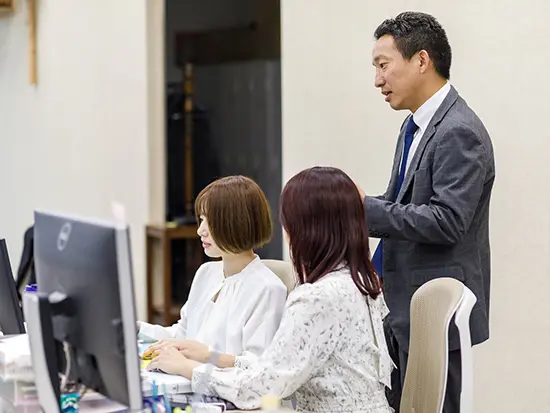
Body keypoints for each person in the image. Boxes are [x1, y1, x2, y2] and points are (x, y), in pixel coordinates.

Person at [148, 166, 394, 413]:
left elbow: (261, 388)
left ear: (306, 229)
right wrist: (208, 357)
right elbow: (270, 369)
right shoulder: (362, 281)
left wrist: (188, 368)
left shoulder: (317, 298)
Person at [364, 11, 495, 412]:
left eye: (383, 65)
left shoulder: (459, 130)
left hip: (435, 317)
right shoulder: (414, 126)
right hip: (401, 307)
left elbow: (448, 221)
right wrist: (352, 208)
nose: (377, 80)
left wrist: (364, 209)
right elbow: (401, 205)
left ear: (422, 60)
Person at [138, 176, 287, 367]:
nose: (200, 230)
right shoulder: (206, 272)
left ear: (237, 223)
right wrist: (137, 329)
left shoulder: (268, 289)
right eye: (201, 220)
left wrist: (204, 358)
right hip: (188, 380)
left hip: (216, 386)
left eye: (210, 221)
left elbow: (255, 368)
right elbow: (183, 335)